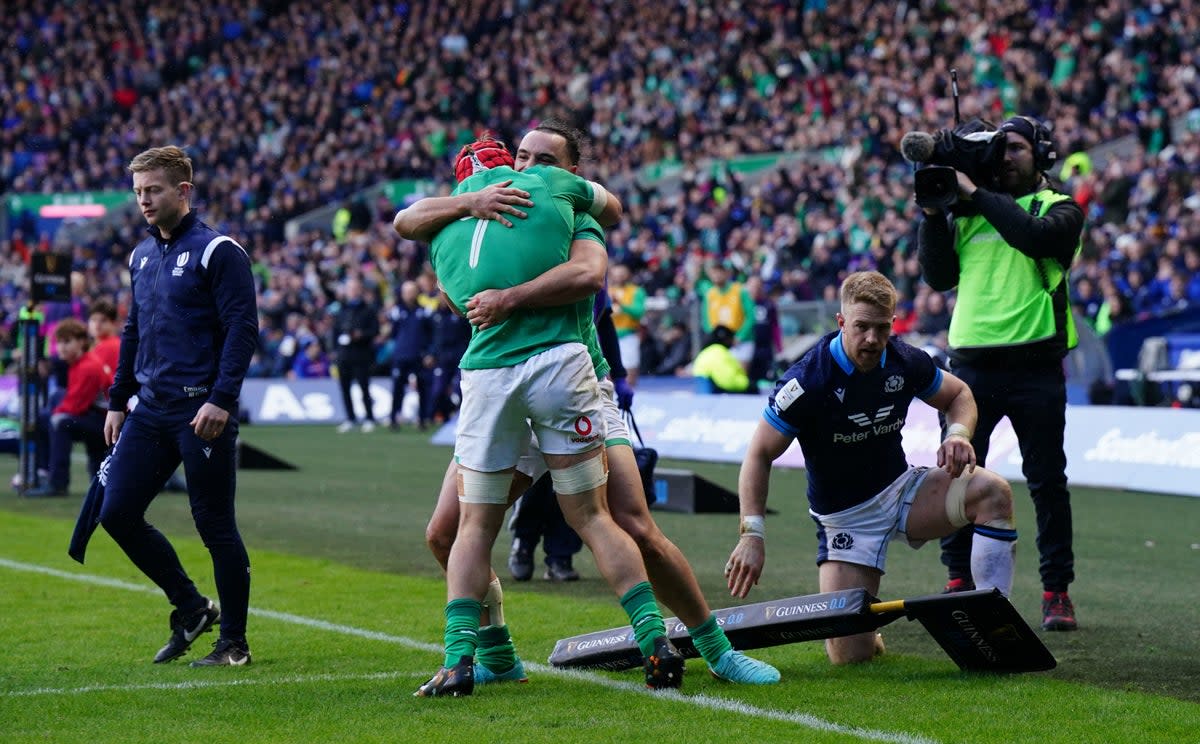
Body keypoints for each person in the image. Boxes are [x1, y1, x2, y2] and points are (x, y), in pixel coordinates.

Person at [406, 122, 778, 689]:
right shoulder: (491, 210)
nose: (529, 167)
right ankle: (497, 652)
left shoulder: (574, 214)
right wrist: (472, 203)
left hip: (582, 383)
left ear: (571, 172)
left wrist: (506, 295)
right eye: (522, 155)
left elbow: (588, 274)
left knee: (634, 524)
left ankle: (716, 648)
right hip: (515, 384)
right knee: (443, 531)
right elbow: (414, 225)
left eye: (545, 159)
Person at [725, 271, 1018, 665]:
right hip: (845, 521)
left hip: (903, 493)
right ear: (842, 322)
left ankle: (996, 626)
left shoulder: (903, 360)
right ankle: (867, 633)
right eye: (861, 327)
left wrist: (959, 434)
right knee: (851, 657)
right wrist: (752, 534)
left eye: (882, 328)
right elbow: (759, 454)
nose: (872, 340)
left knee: (993, 492)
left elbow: (959, 394)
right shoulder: (807, 381)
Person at [917, 115, 1085, 631]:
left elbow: (1032, 238)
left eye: (1015, 148)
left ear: (1041, 155)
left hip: (1035, 366)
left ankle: (1056, 591)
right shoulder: (965, 212)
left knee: (1046, 482)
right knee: (956, 475)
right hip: (971, 370)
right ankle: (956, 580)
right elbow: (939, 277)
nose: (1005, 158)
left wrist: (973, 191)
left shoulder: (1060, 209)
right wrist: (932, 213)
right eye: (998, 150)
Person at [100, 145, 258, 666]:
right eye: (139, 191)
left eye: (153, 190)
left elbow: (242, 329)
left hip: (200, 412)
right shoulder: (140, 255)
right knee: (117, 513)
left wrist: (221, 399)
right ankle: (191, 607)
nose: (143, 200)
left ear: (183, 191)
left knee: (214, 525)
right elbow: (133, 329)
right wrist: (117, 400)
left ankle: (233, 643)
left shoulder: (220, 251)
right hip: (149, 409)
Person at [24, 318, 111, 498]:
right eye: (59, 342)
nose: (61, 347)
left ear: (81, 342)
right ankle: (43, 473)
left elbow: (75, 407)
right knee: (52, 408)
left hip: (107, 423)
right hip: (100, 418)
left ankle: (57, 483)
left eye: (67, 342)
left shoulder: (88, 367)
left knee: (58, 422)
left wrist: (51, 416)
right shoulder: (78, 363)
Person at [331, 276, 380, 433]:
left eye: (355, 288)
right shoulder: (342, 309)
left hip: (361, 354)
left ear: (360, 290)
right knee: (344, 388)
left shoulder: (368, 309)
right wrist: (334, 350)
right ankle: (350, 418)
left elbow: (375, 331)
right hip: (344, 355)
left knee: (364, 388)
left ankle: (369, 418)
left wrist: (361, 335)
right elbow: (335, 331)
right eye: (349, 289)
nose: (352, 292)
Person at [386, 280, 433, 430]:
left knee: (422, 389)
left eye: (412, 291)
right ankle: (394, 417)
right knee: (397, 388)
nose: (409, 295)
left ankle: (423, 418)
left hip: (419, 356)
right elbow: (392, 333)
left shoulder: (425, 312)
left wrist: (429, 353)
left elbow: (432, 334)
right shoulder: (396, 312)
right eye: (406, 292)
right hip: (401, 356)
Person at [608, 263, 646, 386]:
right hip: (607, 336)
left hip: (628, 336)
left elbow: (639, 312)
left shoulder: (636, 291)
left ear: (628, 275)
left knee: (630, 370)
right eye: (616, 274)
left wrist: (621, 304)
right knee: (606, 372)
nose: (619, 277)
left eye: (622, 274)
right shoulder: (606, 291)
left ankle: (630, 400)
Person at [692, 325, 751, 394]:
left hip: (706, 397)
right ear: (727, 339)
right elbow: (728, 381)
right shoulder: (718, 353)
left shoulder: (708, 351)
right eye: (731, 338)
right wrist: (748, 385)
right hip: (712, 400)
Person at [87, 298, 121, 377]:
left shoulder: (108, 346)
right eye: (93, 320)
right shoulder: (114, 343)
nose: (97, 325)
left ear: (114, 323)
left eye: (103, 320)